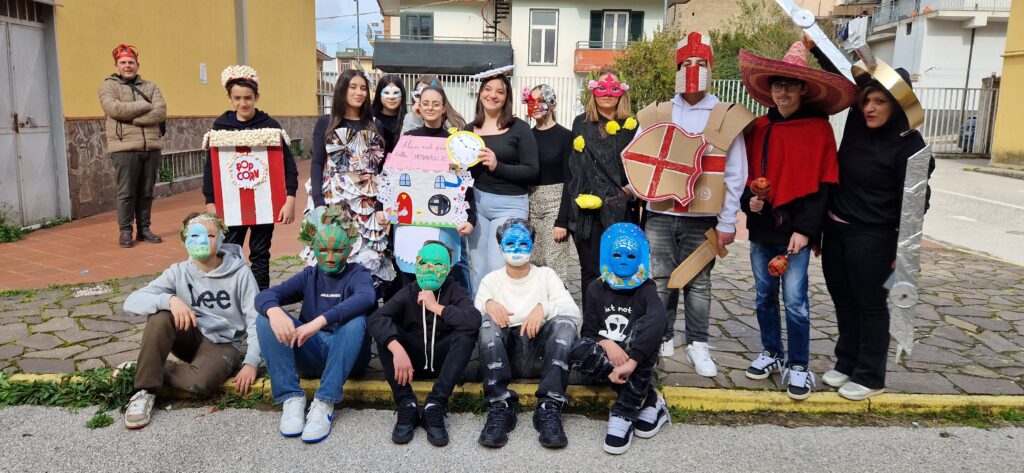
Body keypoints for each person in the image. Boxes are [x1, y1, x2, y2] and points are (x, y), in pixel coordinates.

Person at [808, 37, 934, 401]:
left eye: (880, 101)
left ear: (897, 105)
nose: (870, 107)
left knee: (870, 305)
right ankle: (846, 362)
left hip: (875, 238)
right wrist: (815, 45)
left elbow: (916, 205)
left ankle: (870, 374)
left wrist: (903, 252)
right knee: (843, 299)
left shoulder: (912, 147)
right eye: (868, 101)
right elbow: (846, 73)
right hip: (838, 229)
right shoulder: (858, 124)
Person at [737, 42, 857, 400]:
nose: (783, 92)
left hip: (796, 233)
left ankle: (800, 364)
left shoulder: (818, 129)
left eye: (790, 85)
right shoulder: (758, 127)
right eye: (777, 85)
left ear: (803, 89)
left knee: (795, 300)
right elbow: (744, 174)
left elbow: (822, 185)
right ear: (769, 90)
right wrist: (750, 202)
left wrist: (805, 230)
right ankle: (772, 352)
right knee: (762, 295)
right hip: (762, 228)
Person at [635, 32, 752, 376]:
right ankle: (663, 335)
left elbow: (734, 172)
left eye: (700, 63)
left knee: (698, 283)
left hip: (702, 216)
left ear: (710, 69)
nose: (693, 69)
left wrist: (728, 222)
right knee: (659, 279)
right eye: (686, 63)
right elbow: (641, 160)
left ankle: (698, 343)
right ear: (677, 68)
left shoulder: (724, 115)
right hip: (660, 213)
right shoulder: (658, 113)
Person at [121, 212, 260, 429]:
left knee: (199, 384)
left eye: (211, 236)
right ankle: (145, 389)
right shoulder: (178, 272)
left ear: (222, 238)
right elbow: (131, 302)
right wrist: (170, 300)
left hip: (223, 344)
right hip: (190, 335)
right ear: (185, 240)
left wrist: (251, 362)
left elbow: (256, 319)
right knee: (160, 315)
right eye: (195, 236)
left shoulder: (241, 274)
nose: (203, 241)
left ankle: (146, 366)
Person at [254, 208, 374, 443]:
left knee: (356, 320)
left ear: (349, 251)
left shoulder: (358, 274)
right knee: (264, 317)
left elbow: (366, 298)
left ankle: (325, 402)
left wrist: (318, 322)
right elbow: (264, 297)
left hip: (348, 356)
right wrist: (274, 310)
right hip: (309, 353)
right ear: (313, 249)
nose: (330, 257)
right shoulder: (309, 275)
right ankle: (291, 398)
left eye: (337, 250)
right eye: (323, 250)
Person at [475, 218, 580, 449]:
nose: (516, 249)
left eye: (523, 244)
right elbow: (472, 318)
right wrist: (488, 304)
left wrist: (545, 307)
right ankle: (500, 406)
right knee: (485, 324)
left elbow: (574, 313)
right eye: (510, 243)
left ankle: (549, 407)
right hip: (505, 357)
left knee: (565, 324)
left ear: (532, 246)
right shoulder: (491, 280)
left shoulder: (546, 275)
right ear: (500, 246)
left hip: (541, 356)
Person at [368, 242, 481, 447]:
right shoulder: (409, 291)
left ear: (447, 269)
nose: (429, 269)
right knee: (386, 334)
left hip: (444, 362)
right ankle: (406, 404)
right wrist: (396, 348)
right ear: (416, 264)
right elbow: (376, 319)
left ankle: (435, 405)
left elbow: (474, 320)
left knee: (466, 335)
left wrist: (436, 307)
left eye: (437, 264)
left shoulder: (455, 291)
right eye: (424, 263)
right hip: (410, 365)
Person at [571, 223, 669, 455]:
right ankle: (649, 400)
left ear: (640, 258)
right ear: (607, 254)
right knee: (577, 350)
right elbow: (589, 332)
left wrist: (632, 360)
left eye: (630, 255)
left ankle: (624, 411)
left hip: (637, 355)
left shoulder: (647, 288)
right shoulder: (595, 288)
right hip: (609, 356)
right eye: (617, 254)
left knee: (647, 329)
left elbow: (658, 321)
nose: (623, 259)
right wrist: (607, 344)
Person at [202, 65, 299, 290]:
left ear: (257, 97)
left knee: (260, 254)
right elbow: (211, 168)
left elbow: (288, 166)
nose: (242, 103)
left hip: (264, 203)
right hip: (231, 204)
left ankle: (261, 300)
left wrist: (290, 198)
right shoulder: (221, 127)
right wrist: (210, 202)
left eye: (248, 98)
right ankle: (233, 297)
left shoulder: (270, 126)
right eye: (237, 98)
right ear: (229, 97)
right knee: (229, 251)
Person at [305, 69, 394, 290]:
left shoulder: (375, 125)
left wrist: (383, 205)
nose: (359, 92)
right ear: (342, 89)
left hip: (367, 203)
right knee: (335, 250)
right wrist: (318, 203)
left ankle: (365, 307)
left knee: (368, 254)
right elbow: (317, 163)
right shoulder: (326, 122)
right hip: (334, 199)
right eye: (353, 87)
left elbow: (382, 170)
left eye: (363, 88)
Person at [557, 67, 637, 308]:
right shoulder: (581, 123)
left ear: (622, 92)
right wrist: (562, 218)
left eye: (613, 88)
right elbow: (572, 170)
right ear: (593, 91)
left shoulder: (632, 126)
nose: (608, 93)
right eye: (602, 87)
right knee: (591, 271)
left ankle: (617, 322)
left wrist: (630, 189)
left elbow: (641, 165)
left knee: (621, 269)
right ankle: (592, 327)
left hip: (621, 209)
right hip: (587, 211)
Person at [389, 86, 473, 294]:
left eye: (436, 104)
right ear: (418, 106)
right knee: (411, 272)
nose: (430, 107)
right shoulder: (408, 139)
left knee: (442, 272)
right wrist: (387, 210)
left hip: (443, 223)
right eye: (425, 103)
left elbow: (464, 183)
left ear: (444, 108)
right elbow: (393, 179)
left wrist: (470, 218)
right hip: (411, 224)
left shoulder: (453, 142)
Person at [466, 68, 540, 293]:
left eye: (500, 91)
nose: (493, 95)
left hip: (510, 203)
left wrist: (498, 166)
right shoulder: (468, 130)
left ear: (506, 97)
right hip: (477, 204)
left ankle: (500, 319)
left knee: (498, 265)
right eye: (487, 89)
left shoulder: (519, 128)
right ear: (480, 94)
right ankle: (480, 318)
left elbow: (532, 170)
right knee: (477, 267)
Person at [98, 43, 167, 248]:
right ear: (117, 64)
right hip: (124, 148)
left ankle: (144, 229)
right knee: (126, 192)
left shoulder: (151, 86)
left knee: (146, 191)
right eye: (123, 62)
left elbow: (161, 111)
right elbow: (114, 109)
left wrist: (134, 119)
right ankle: (126, 231)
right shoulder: (108, 86)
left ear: (137, 64)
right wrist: (145, 106)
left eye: (131, 62)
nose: (127, 66)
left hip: (151, 146)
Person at [525, 84, 572, 282]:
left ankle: (557, 309)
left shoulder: (566, 136)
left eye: (540, 101)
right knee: (532, 261)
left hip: (555, 203)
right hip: (530, 203)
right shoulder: (526, 136)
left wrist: (562, 220)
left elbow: (570, 179)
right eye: (530, 101)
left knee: (553, 264)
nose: (535, 106)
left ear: (552, 104)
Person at [372, 74, 408, 155]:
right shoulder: (371, 120)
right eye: (386, 92)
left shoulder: (408, 121)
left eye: (396, 92)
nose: (391, 97)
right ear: (379, 95)